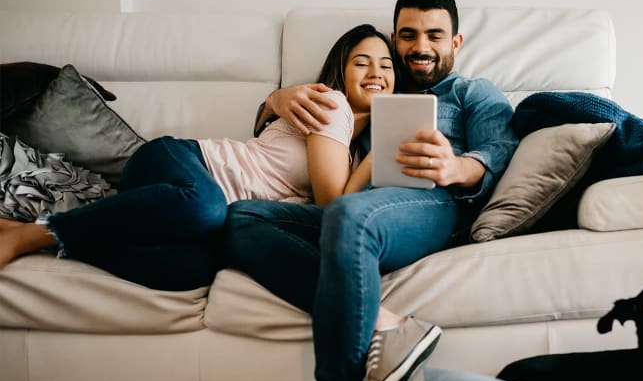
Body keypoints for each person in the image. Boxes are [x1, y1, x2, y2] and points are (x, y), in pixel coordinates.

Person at [224, 0, 519, 381]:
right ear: (394, 39)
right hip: (352, 211)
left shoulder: (474, 93)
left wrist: (455, 167)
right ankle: (384, 323)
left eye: (433, 35)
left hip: (430, 205)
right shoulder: (372, 86)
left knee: (347, 214)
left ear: (455, 40)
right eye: (407, 35)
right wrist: (273, 98)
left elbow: (499, 150)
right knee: (240, 218)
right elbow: (309, 138)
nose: (419, 46)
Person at [0, 24, 396, 289]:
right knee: (206, 208)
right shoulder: (332, 104)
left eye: (386, 64)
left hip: (187, 210)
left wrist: (372, 151)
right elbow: (332, 203)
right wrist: (377, 153)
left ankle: (57, 236)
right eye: (362, 62)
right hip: (180, 163)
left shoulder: (351, 147)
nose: (376, 72)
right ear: (340, 71)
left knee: (195, 269)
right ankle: (33, 234)